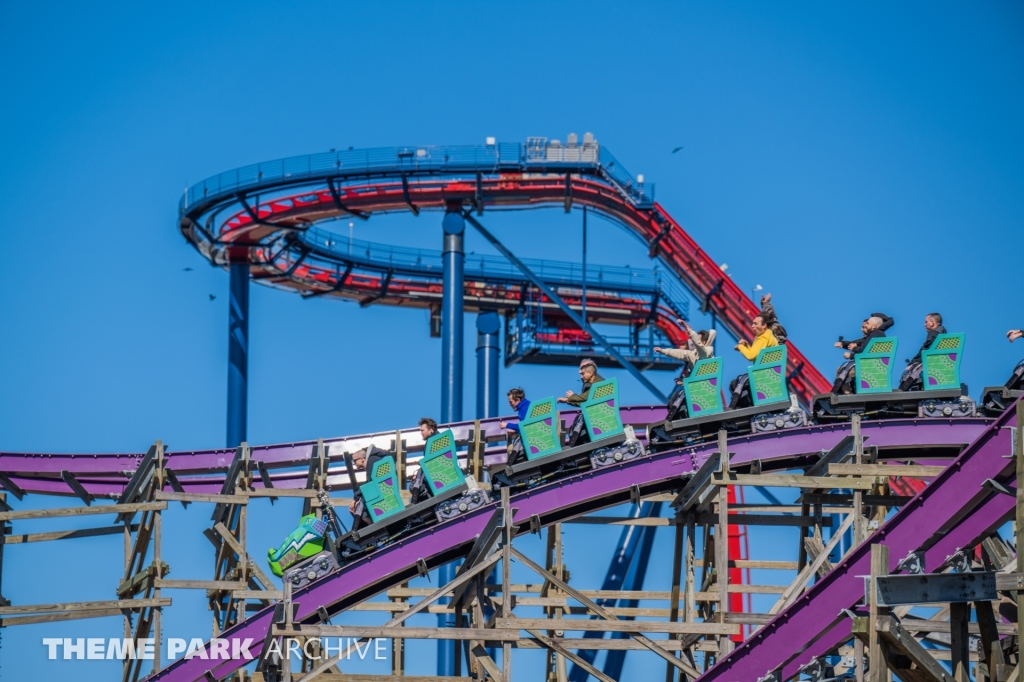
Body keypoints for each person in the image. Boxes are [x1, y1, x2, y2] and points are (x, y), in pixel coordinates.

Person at [655, 321, 716, 420]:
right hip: (697, 387)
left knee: (678, 398)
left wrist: (687, 328)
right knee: (675, 398)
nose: (693, 343)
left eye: (697, 341)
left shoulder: (706, 353)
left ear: (703, 342)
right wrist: (663, 351)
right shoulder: (693, 354)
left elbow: (699, 346)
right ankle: (678, 420)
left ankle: (674, 421)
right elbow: (679, 353)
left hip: (702, 389)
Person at [830, 313, 894, 394]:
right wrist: (843, 344)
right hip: (873, 365)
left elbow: (863, 351)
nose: (865, 326)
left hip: (868, 367)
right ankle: (847, 393)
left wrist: (852, 353)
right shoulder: (877, 334)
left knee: (842, 370)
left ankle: (847, 395)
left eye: (867, 324)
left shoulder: (875, 334)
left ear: (874, 326)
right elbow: (859, 344)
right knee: (842, 369)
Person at [728, 315, 779, 409]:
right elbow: (757, 355)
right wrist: (747, 346)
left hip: (762, 376)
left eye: (755, 323)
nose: (752, 326)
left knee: (734, 384)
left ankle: (735, 409)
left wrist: (740, 347)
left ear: (764, 325)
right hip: (769, 374)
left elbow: (751, 356)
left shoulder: (762, 338)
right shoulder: (769, 335)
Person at [558, 359, 605, 446]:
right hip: (596, 416)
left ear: (591, 372)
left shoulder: (597, 384)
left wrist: (570, 398)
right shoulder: (596, 382)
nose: (580, 375)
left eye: (583, 372)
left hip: (596, 418)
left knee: (579, 429)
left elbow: (585, 398)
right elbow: (586, 402)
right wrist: (568, 400)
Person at [898, 313, 946, 391]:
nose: (924, 324)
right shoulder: (943, 334)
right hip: (938, 366)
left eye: (926, 322)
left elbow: (925, 352)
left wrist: (912, 363)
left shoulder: (933, 334)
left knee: (906, 373)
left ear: (932, 323)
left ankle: (900, 396)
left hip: (927, 366)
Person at [347, 444, 388, 531]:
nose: (355, 464)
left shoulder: (372, 461)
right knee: (360, 502)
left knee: (360, 506)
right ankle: (370, 526)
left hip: (382, 494)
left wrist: (356, 499)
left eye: (355, 461)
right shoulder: (374, 460)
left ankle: (372, 528)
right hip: (382, 491)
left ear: (362, 459)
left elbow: (370, 483)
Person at [408, 417, 439, 505]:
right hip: (435, 474)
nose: (421, 433)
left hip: (433, 477)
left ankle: (414, 510)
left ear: (431, 430)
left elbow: (432, 462)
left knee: (417, 485)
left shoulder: (432, 441)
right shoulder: (438, 439)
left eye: (422, 430)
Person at [501, 388, 530, 465]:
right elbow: (528, 426)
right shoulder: (527, 406)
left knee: (516, 442)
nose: (509, 404)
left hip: (530, 441)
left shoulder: (524, 409)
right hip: (531, 435)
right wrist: (515, 431)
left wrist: (507, 425)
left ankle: (510, 464)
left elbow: (524, 427)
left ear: (517, 400)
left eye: (511, 402)